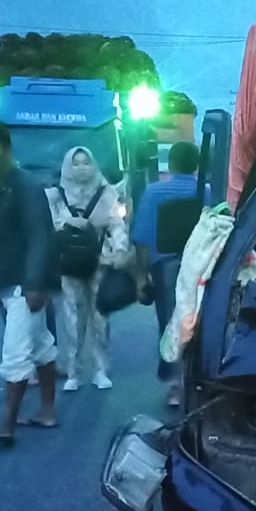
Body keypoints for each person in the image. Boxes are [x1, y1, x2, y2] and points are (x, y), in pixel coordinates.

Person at [0, 121, 60, 444]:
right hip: (10, 282)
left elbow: (41, 237)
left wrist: (36, 284)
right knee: (41, 346)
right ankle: (47, 411)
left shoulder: (25, 185)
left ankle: (7, 422)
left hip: (26, 284)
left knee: (15, 354)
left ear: (7, 149)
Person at [46, 146, 130, 392]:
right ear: (67, 166)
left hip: (99, 261)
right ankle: (73, 371)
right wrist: (67, 222)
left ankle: (100, 369)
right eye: (76, 163)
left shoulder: (106, 193)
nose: (81, 168)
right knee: (72, 318)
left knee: (100, 317)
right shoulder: (55, 195)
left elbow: (117, 224)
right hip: (68, 263)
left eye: (85, 163)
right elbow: (47, 223)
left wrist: (120, 250)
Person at [131, 141, 201, 407]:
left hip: (166, 268)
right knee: (197, 323)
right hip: (199, 267)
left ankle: (175, 385)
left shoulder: (154, 192)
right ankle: (193, 380)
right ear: (195, 165)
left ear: (169, 164)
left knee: (169, 323)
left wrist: (140, 277)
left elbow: (142, 237)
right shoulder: (207, 190)